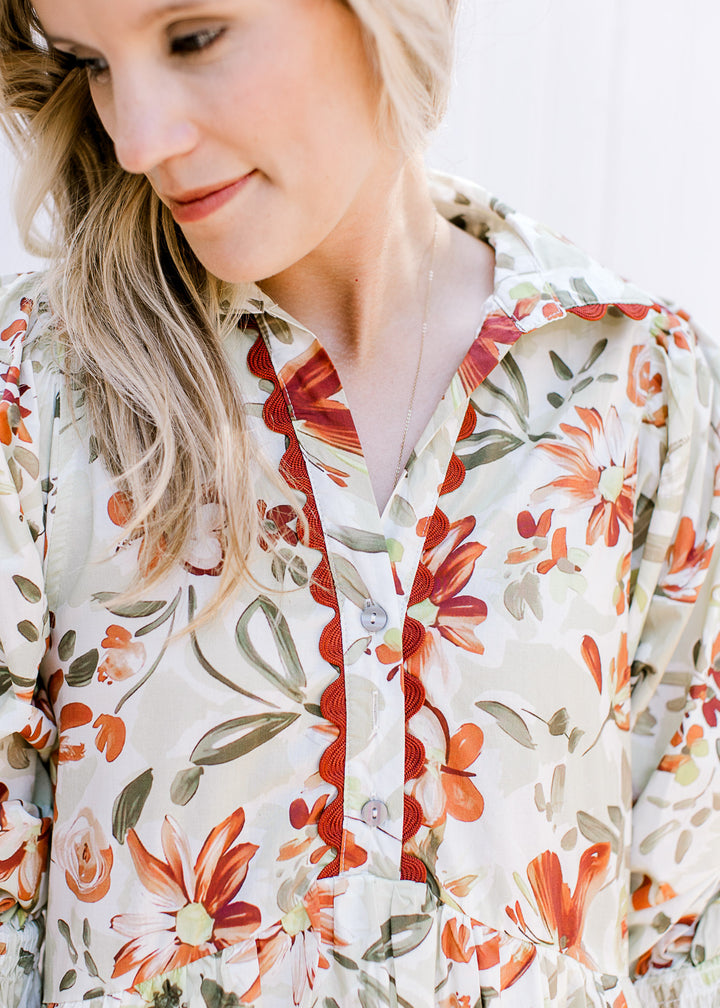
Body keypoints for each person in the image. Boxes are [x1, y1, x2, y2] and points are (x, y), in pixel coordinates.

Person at [0, 0, 718, 1005]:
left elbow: (684, 934)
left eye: (193, 37)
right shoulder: (38, 389)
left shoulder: (635, 378)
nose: (137, 138)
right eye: (92, 63)